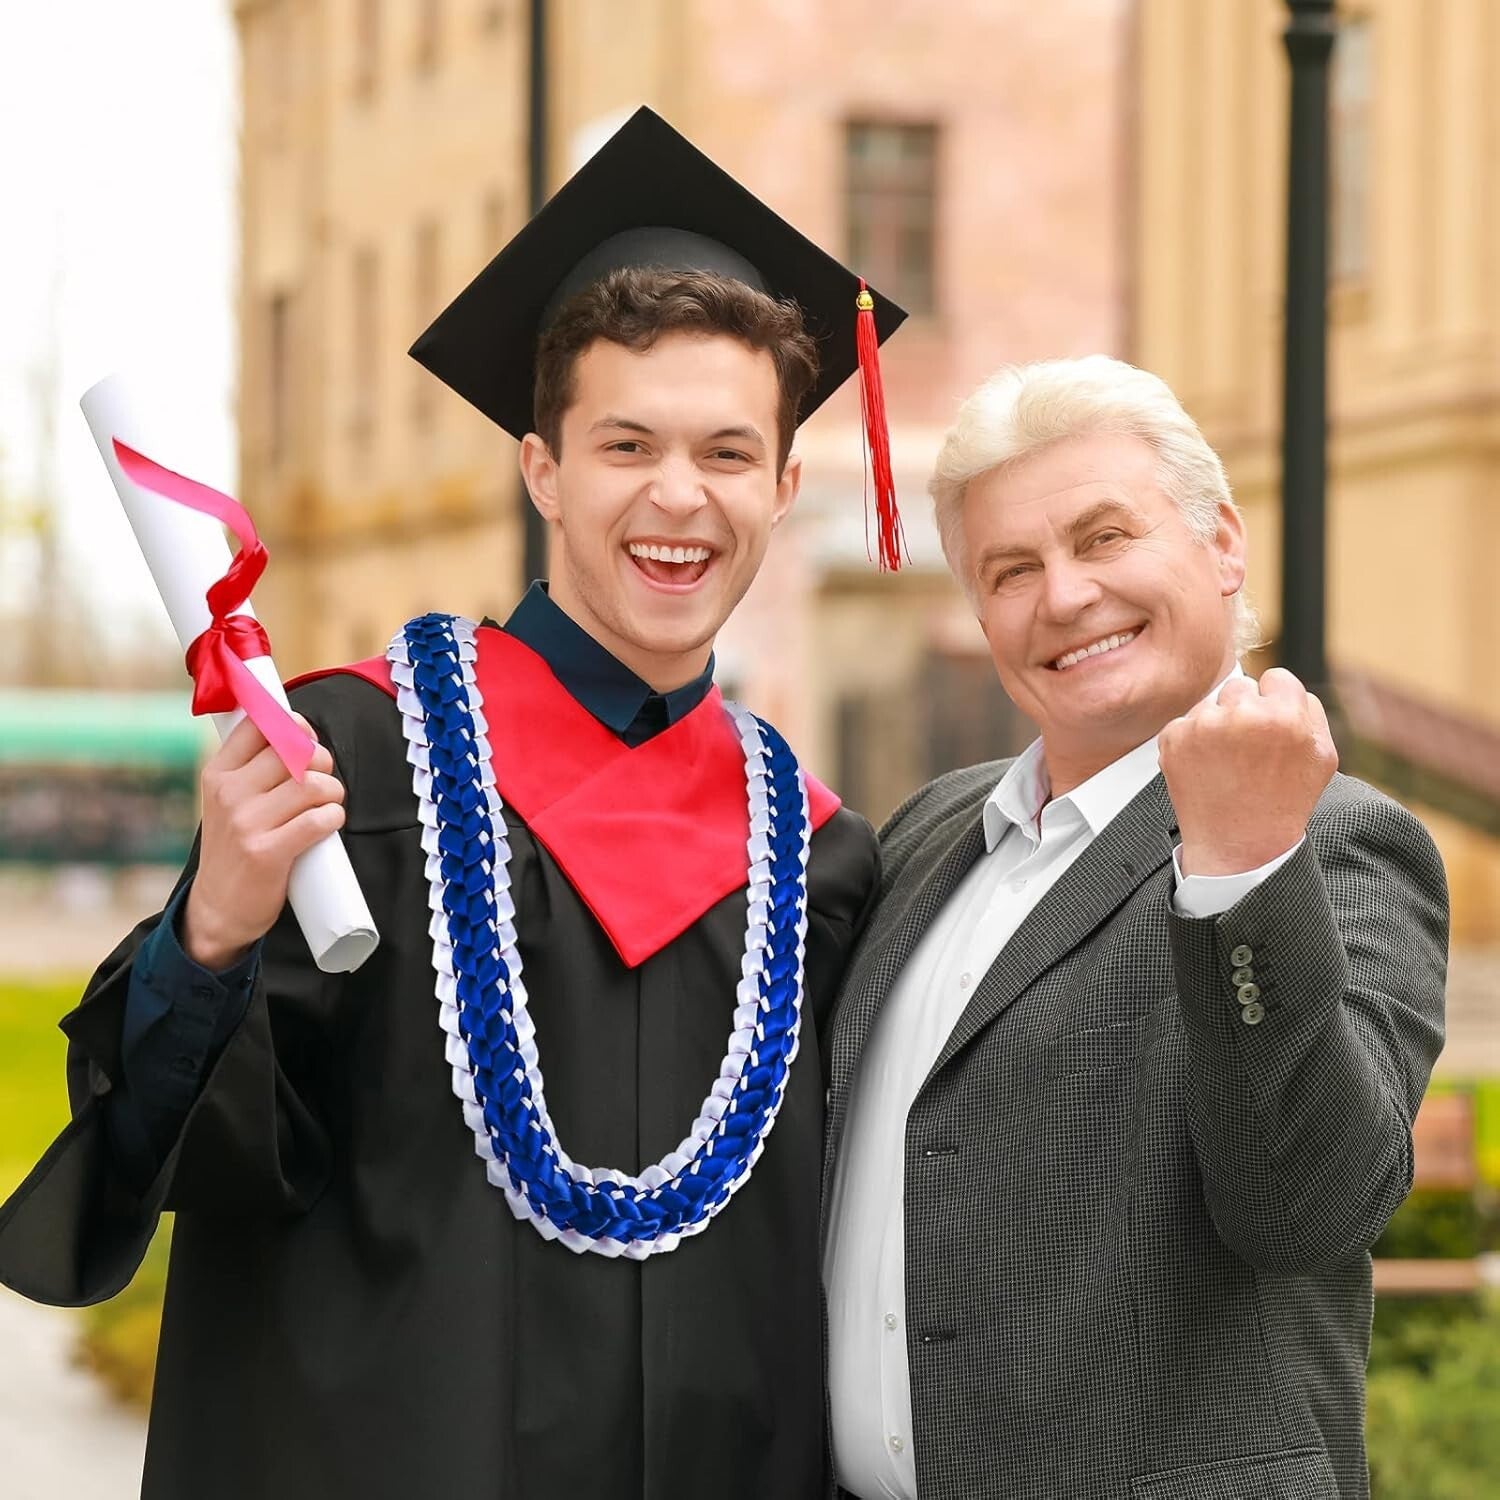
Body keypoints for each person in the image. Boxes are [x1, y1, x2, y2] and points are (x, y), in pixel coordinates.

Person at [0, 108, 905, 1500]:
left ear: (786, 487)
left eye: (729, 454)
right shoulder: (349, 765)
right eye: (625, 445)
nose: (680, 497)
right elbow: (160, 1162)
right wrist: (218, 935)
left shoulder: (820, 856)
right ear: (542, 469)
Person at [822, 355, 1448, 1500]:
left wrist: (1245, 867)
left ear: (1221, 547)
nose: (1062, 597)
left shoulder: (1337, 839)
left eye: (1105, 539)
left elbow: (1304, 1209)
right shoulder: (926, 834)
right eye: (1012, 570)